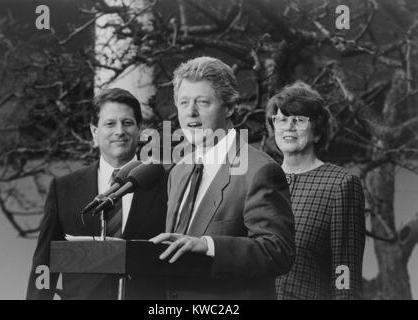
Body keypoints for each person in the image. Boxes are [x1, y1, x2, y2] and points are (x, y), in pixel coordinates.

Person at [150, 56, 295, 300]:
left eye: (202, 102)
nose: (190, 112)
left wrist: (209, 245)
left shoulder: (259, 170)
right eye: (183, 102)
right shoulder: (178, 170)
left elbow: (278, 252)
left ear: (229, 107)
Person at [26, 88, 168, 300]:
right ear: (94, 131)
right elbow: (45, 263)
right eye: (110, 123)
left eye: (127, 123)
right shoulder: (64, 188)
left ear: (140, 129)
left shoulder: (166, 184)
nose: (119, 131)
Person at [266, 81, 366, 300]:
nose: (289, 126)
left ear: (318, 131)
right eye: (282, 119)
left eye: (299, 120)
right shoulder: (261, 180)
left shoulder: (340, 184)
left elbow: (345, 270)